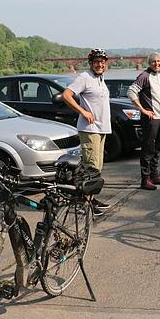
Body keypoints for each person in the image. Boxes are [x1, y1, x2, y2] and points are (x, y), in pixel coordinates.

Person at [62, 48, 111, 215]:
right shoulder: (85, 77)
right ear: (91, 63)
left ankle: (90, 198)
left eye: (102, 62)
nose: (100, 64)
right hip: (90, 129)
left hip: (100, 129)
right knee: (91, 166)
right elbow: (67, 95)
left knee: (96, 166)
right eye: (97, 62)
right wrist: (83, 112)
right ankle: (85, 202)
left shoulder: (100, 78)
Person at [127, 52, 160, 190]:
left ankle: (154, 175)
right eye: (154, 62)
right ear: (149, 63)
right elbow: (131, 92)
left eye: (158, 61)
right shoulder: (145, 76)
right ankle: (145, 179)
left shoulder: (158, 75)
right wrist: (142, 110)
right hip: (150, 119)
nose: (156, 64)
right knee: (148, 149)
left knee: (157, 148)